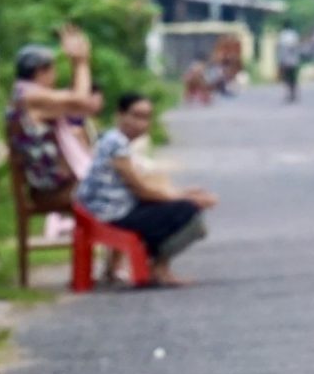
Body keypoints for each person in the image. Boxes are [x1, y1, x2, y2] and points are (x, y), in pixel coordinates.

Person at [76, 93, 214, 288]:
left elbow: (145, 184)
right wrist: (185, 198)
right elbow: (141, 190)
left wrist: (182, 194)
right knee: (188, 211)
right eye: (136, 115)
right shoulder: (116, 143)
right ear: (120, 115)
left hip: (109, 209)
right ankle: (159, 267)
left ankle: (152, 265)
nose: (141, 123)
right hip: (110, 215)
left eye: (146, 117)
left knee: (185, 211)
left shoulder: (115, 140)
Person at [8, 26, 97, 216]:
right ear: (42, 71)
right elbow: (81, 102)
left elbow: (74, 104)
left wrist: (77, 64)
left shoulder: (25, 95)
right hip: (53, 191)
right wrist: (81, 62)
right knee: (121, 184)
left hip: (56, 185)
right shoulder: (30, 98)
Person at [278, 26, 303, 103]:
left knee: (289, 79)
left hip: (288, 63)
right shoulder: (292, 36)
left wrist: (281, 62)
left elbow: (281, 53)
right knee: (291, 79)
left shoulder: (283, 37)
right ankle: (291, 94)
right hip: (292, 63)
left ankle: (291, 94)